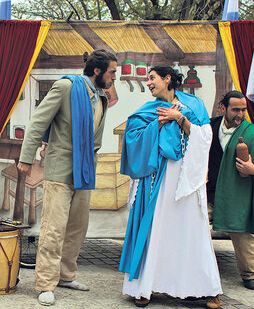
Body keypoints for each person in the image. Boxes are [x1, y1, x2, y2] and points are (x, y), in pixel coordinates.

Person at [17, 49, 117, 306]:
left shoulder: (101, 97)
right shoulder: (65, 87)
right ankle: (45, 283)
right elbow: (37, 123)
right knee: (54, 228)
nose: (114, 77)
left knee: (77, 227)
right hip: (60, 167)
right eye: (112, 72)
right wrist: (26, 159)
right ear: (97, 71)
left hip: (85, 170)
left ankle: (66, 275)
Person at [119, 65, 222, 308]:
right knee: (156, 229)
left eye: (152, 78)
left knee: (191, 232)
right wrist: (158, 125)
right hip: (158, 179)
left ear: (167, 79)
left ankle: (206, 288)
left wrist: (179, 118)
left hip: (185, 178)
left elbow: (205, 138)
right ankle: (145, 287)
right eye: (148, 79)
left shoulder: (193, 106)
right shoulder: (148, 110)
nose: (149, 83)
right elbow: (132, 137)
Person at [207, 90, 254, 290]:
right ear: (223, 108)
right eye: (235, 109)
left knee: (241, 230)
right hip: (209, 193)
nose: (240, 115)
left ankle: (250, 274)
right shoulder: (209, 127)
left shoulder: (251, 132)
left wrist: (252, 169)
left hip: (236, 194)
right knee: (191, 224)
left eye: (243, 110)